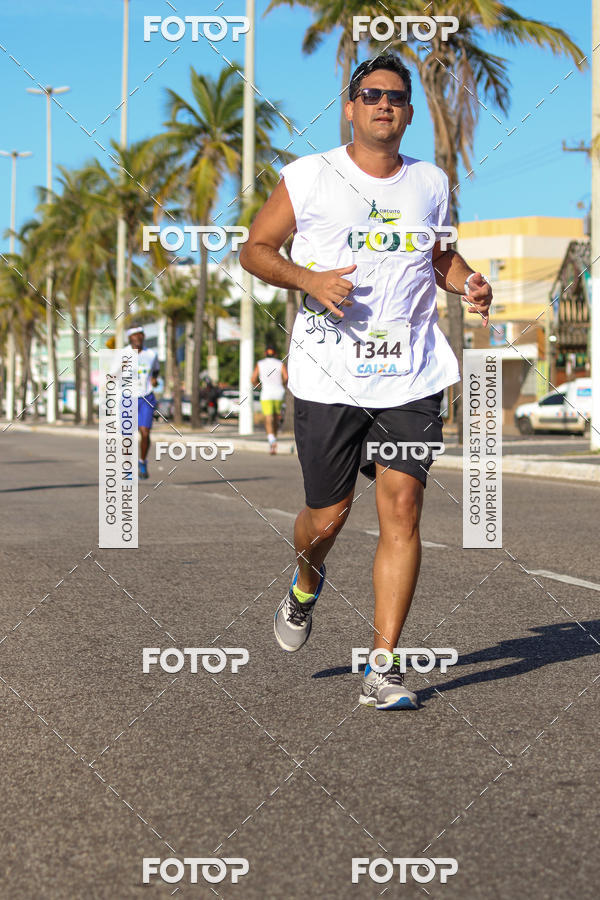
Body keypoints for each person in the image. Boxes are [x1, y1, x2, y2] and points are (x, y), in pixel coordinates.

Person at [240, 53, 492, 709]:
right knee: (328, 518)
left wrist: (467, 281)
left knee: (403, 509)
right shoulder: (310, 177)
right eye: (371, 94)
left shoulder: (431, 182)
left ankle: (383, 667)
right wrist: (309, 280)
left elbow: (437, 254)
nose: (384, 103)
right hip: (329, 376)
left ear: (407, 111)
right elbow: (255, 248)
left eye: (396, 96)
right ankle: (305, 583)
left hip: (409, 374)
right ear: (350, 107)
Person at [127, 326, 160, 480]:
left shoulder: (152, 354)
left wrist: (154, 379)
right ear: (130, 338)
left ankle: (142, 461)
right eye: (135, 335)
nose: (138, 338)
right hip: (127, 398)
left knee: (145, 432)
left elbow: (156, 371)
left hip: (146, 397)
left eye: (141, 335)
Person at [251, 345, 288, 454]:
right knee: (276, 417)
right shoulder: (280, 364)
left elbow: (253, 378)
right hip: (279, 392)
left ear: (265, 354)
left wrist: (259, 386)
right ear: (275, 354)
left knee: (268, 417)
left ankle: (271, 440)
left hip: (266, 392)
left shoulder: (260, 364)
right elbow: (286, 378)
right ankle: (274, 439)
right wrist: (282, 385)